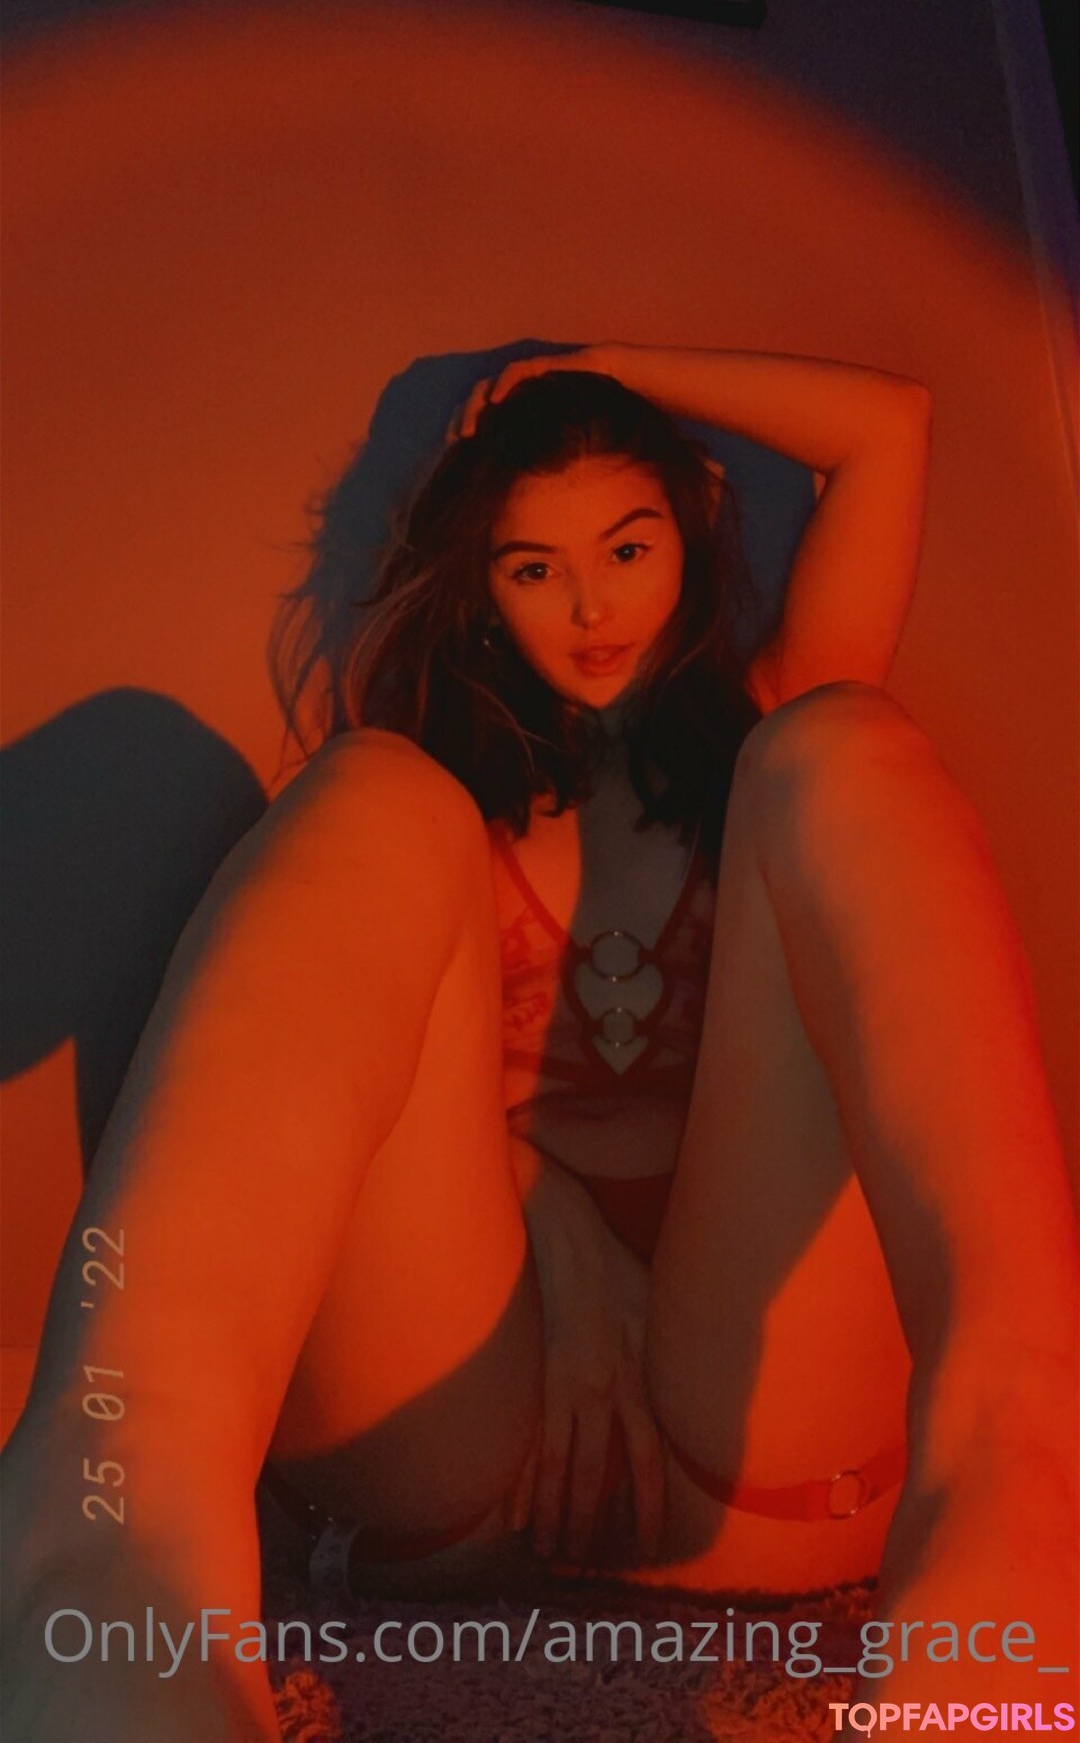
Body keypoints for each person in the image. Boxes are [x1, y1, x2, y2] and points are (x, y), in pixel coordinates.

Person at [3, 344, 1076, 1741]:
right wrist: (552, 1218)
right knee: (372, 791)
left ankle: (1023, 1456)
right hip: (474, 1453)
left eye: (627, 548)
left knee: (845, 744)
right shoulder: (452, 806)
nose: (590, 607)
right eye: (533, 568)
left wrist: (588, 365)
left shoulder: (765, 725)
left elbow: (891, 425)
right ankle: (110, 1522)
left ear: (687, 532)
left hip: (764, 1452)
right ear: (482, 587)